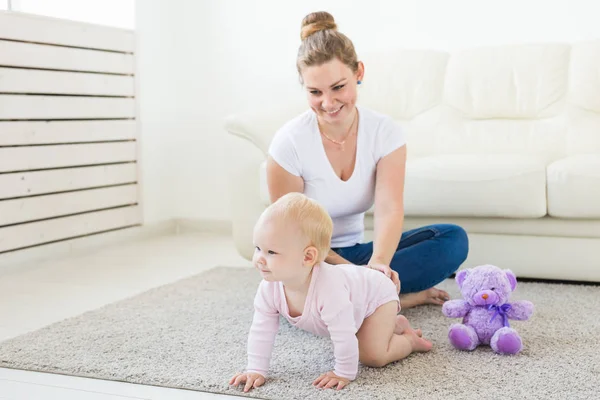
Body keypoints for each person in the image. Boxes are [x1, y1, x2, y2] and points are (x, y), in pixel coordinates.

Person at [266, 11, 469, 309]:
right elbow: (290, 234)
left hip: (359, 255)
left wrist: (378, 265)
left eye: (338, 87)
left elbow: (388, 208)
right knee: (295, 271)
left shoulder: (384, 132)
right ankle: (390, 297)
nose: (328, 103)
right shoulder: (289, 142)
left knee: (452, 239)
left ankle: (365, 294)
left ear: (358, 72)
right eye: (315, 92)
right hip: (309, 258)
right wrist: (354, 274)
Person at [230, 192, 432, 392]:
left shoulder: (329, 289)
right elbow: (261, 330)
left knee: (373, 355)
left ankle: (409, 340)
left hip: (377, 296)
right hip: (354, 302)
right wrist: (256, 369)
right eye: (258, 248)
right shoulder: (269, 288)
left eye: (271, 252)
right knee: (358, 331)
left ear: (308, 257)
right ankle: (391, 326)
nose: (259, 259)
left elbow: (343, 335)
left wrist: (343, 372)